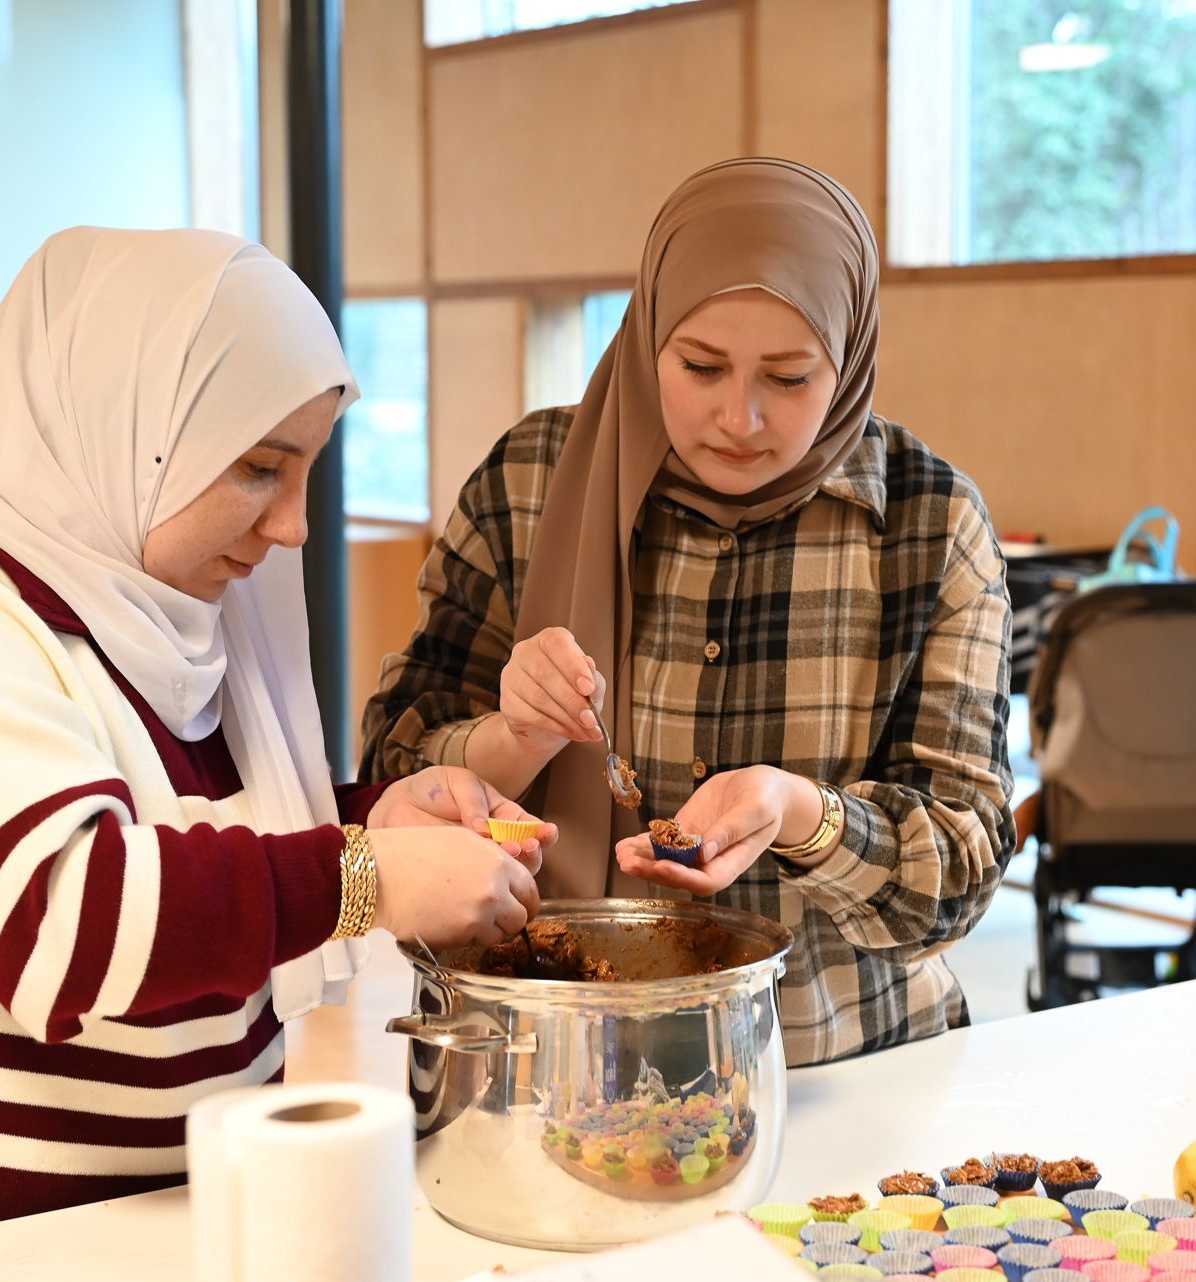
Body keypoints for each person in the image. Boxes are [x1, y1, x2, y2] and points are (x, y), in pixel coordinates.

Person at [0, 227, 548, 1264]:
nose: (293, 527)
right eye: (260, 468)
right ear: (121, 428)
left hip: (167, 1224)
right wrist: (364, 873)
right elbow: (63, 921)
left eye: (306, 470)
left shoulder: (167, 613)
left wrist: (372, 820)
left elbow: (213, 837)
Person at [361, 158, 1016, 1067]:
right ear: (647, 334)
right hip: (546, 1058)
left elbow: (964, 867)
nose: (738, 418)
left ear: (852, 353)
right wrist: (512, 737)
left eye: (789, 378)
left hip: (837, 1070)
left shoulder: (928, 523)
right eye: (700, 366)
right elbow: (390, 772)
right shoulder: (531, 482)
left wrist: (801, 814)